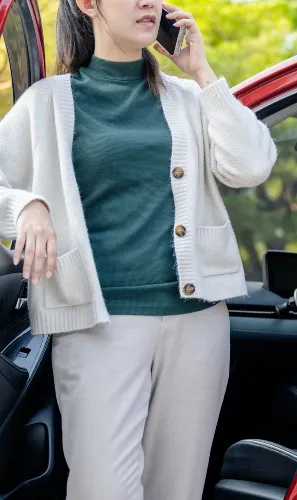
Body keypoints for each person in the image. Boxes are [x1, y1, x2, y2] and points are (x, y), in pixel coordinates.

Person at [0, 0, 277, 498]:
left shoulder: (189, 96)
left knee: (177, 488)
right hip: (98, 324)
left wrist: (202, 72)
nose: (149, 2)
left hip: (197, 322)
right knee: (101, 488)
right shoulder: (47, 102)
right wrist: (26, 206)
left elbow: (252, 165)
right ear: (88, 4)